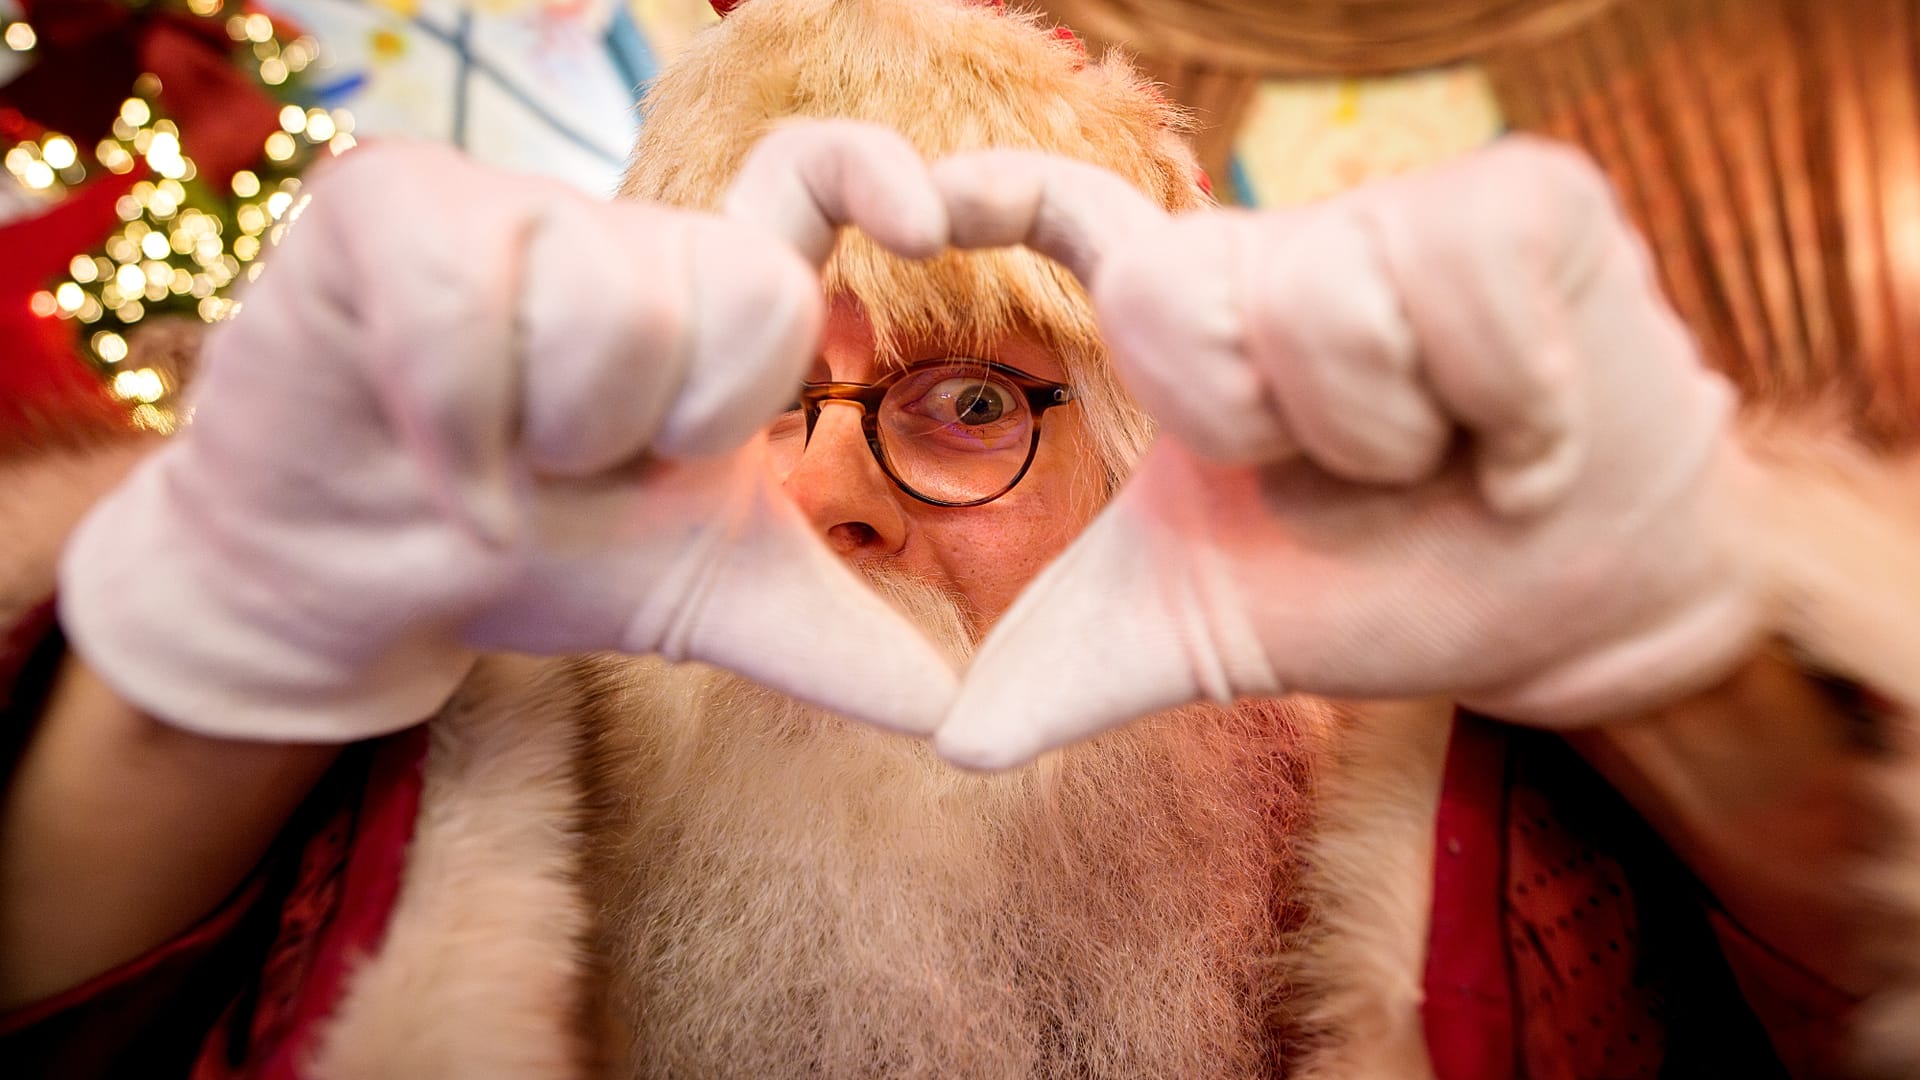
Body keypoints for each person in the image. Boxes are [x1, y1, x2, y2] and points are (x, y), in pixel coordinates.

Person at [2, 0, 1914, 1076]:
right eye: (743, 399)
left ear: (1153, 465)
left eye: (973, 399)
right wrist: (218, 648)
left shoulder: (1436, 823)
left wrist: (1675, 672)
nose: (823, 498)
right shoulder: (449, 767)